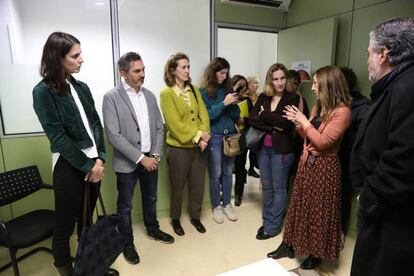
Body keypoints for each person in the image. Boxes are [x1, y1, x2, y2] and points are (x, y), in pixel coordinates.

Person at [32, 32, 118, 276]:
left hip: (94, 164)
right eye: (75, 55)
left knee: (87, 222)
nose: (82, 59)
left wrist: (100, 158)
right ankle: (67, 272)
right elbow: (58, 137)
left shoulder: (81, 87)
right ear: (57, 58)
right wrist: (88, 166)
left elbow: (95, 124)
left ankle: (88, 266)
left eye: (80, 54)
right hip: (69, 166)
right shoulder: (43, 92)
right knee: (64, 227)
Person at [267, 65, 351, 270]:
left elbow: (322, 142)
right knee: (299, 206)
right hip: (308, 164)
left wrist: (304, 121)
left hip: (325, 169)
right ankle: (289, 244)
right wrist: (298, 124)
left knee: (319, 212)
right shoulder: (319, 106)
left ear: (328, 85)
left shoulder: (343, 112)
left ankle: (316, 253)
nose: (312, 88)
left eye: (315, 83)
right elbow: (309, 139)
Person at [350, 17, 414, 276]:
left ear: (383, 54)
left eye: (369, 53)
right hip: (384, 211)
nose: (367, 60)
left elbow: (403, 160)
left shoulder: (407, 88)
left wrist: (368, 200)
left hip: (392, 217)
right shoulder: (396, 85)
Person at [103, 52, 174, 266]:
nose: (142, 74)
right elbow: (114, 135)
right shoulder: (111, 97)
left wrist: (155, 154)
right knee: (125, 206)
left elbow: (159, 127)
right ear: (123, 73)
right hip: (128, 164)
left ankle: (152, 229)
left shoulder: (150, 95)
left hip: (152, 159)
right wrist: (141, 159)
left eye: (143, 69)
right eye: (137, 71)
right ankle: (127, 242)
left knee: (150, 198)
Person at [160, 52, 210, 236]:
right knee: (177, 186)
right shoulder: (166, 94)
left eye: (188, 66)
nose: (187, 70)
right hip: (178, 149)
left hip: (198, 148)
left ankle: (195, 217)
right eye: (183, 67)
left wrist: (205, 137)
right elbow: (174, 125)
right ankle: (175, 219)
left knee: (197, 185)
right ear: (173, 71)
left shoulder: (194, 90)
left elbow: (203, 114)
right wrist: (199, 136)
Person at [248, 63, 299, 240]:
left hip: (282, 151)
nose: (279, 83)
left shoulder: (292, 98)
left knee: (279, 189)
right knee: (267, 187)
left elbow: (286, 124)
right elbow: (253, 119)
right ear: (270, 80)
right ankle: (267, 220)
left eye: (282, 78)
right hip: (264, 148)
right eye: (275, 79)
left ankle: (273, 227)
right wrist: (273, 124)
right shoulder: (264, 96)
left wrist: (264, 115)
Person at [199, 57, 240, 223]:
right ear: (213, 73)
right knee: (216, 173)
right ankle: (217, 206)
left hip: (230, 135)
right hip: (214, 137)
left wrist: (233, 103)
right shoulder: (203, 92)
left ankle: (227, 204)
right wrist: (223, 103)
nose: (225, 76)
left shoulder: (227, 89)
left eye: (226, 73)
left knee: (228, 172)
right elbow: (207, 116)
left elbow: (235, 116)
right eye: (222, 73)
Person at [338, 67, 370, 235]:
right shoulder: (336, 103)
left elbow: (362, 141)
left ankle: (340, 237)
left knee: (342, 203)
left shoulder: (362, 107)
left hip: (347, 163)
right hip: (334, 161)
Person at [232, 74, 253, 206]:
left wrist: (243, 120)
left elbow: (253, 119)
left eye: (244, 86)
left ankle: (238, 194)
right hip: (227, 137)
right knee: (226, 168)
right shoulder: (226, 99)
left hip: (242, 137)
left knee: (240, 167)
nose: (241, 88)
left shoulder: (247, 101)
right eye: (239, 85)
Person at [286, 69, 309, 178]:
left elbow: (306, 120)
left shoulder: (301, 100)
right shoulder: (277, 98)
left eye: (298, 84)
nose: (296, 87)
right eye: (294, 83)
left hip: (296, 141)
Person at [246, 76, 260, 178]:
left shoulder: (259, 97)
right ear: (249, 84)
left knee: (253, 149)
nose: (257, 85)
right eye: (254, 83)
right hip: (245, 125)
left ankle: (251, 168)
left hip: (256, 126)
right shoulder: (244, 97)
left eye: (258, 83)